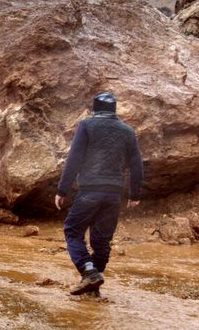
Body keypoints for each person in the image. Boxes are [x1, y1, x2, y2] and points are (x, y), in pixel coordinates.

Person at [55, 91, 144, 296]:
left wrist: (62, 189)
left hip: (90, 191)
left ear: (94, 108)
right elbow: (136, 164)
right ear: (114, 110)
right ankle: (93, 285)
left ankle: (89, 271)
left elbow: (74, 159)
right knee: (101, 240)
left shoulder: (87, 125)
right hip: (114, 194)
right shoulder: (128, 131)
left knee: (72, 230)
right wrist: (135, 194)